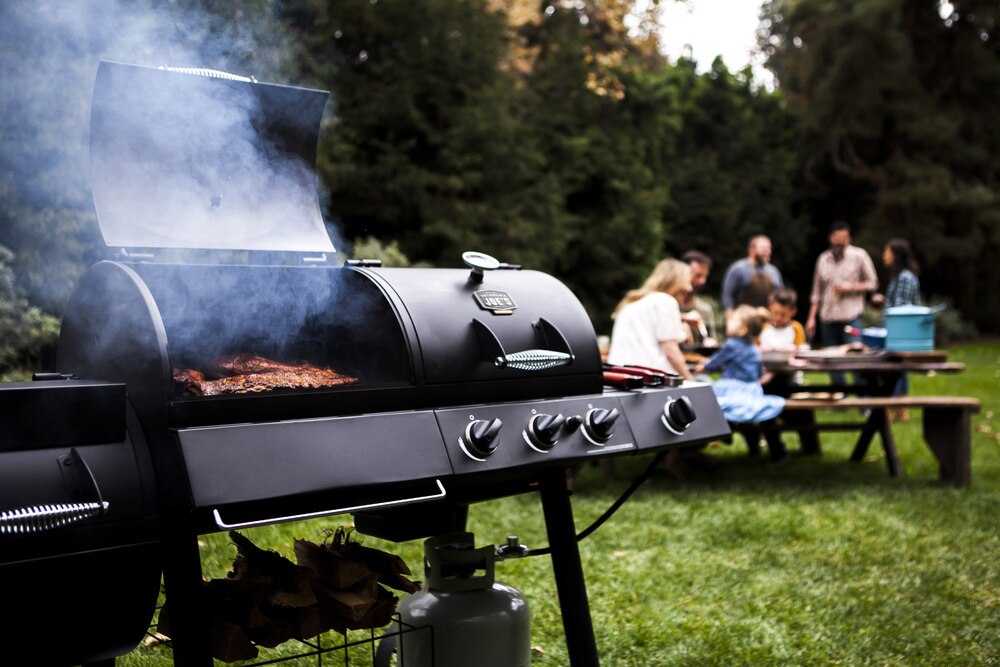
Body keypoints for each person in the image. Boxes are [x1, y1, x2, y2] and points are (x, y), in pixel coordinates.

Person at [694, 305, 787, 461]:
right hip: (752, 389)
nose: (728, 322)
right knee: (743, 413)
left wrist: (704, 367)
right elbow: (758, 373)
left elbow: (715, 362)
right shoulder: (754, 347)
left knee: (707, 399)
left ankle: (722, 431)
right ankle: (740, 438)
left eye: (733, 321)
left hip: (732, 386)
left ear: (743, 329)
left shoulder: (732, 344)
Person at [607, 258, 694, 381]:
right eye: (687, 282)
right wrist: (690, 380)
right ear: (675, 281)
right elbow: (670, 351)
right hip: (650, 379)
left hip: (619, 377)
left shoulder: (631, 304)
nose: (689, 288)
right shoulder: (665, 301)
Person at [805, 221, 879, 348]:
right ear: (830, 238)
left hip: (851, 318)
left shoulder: (859, 256)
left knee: (855, 356)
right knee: (832, 360)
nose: (839, 241)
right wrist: (811, 319)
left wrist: (851, 287)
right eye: (836, 237)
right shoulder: (823, 259)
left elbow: (873, 283)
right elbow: (816, 292)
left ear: (849, 239)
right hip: (828, 318)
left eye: (843, 238)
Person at [872, 238, 921, 419]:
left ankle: (899, 407)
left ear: (895, 255)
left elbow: (901, 309)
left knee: (897, 367)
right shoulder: (900, 277)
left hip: (901, 332)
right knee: (897, 367)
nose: (884, 255)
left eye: (887, 251)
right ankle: (898, 406)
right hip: (897, 331)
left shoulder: (905, 278)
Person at [720, 235, 784, 323]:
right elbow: (727, 296)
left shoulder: (773, 272)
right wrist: (730, 320)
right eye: (763, 248)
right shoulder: (738, 269)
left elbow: (781, 297)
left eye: (769, 248)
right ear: (752, 249)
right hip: (742, 321)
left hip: (767, 321)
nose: (767, 251)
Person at [678, 250, 719, 348]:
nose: (702, 281)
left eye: (705, 277)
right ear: (683, 273)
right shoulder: (666, 303)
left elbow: (711, 340)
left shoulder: (704, 309)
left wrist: (712, 344)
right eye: (698, 275)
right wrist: (682, 319)